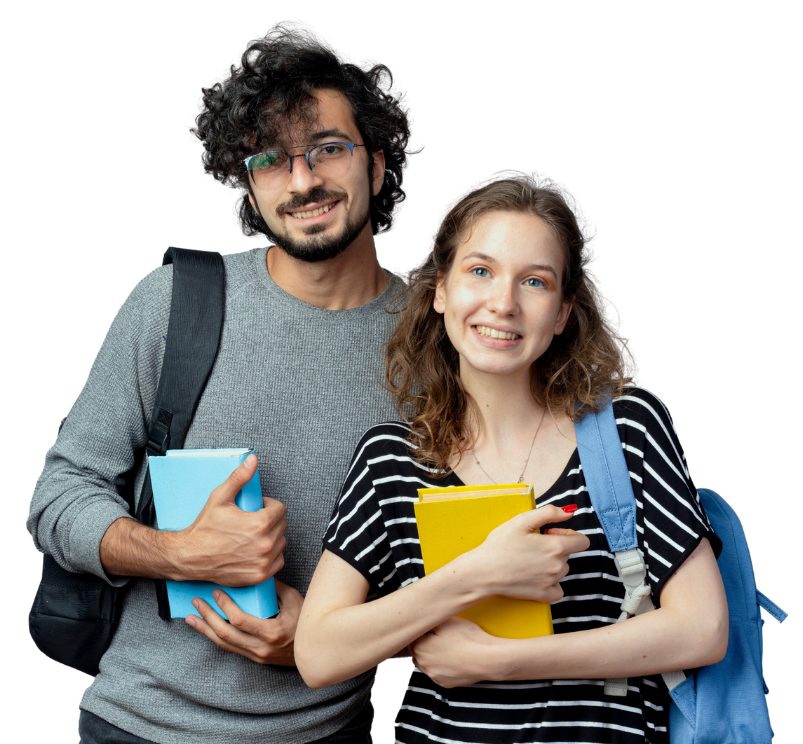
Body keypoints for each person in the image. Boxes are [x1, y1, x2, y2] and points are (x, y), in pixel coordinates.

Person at [27, 20, 417, 744]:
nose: (301, 182)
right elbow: (57, 496)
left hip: (336, 731)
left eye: (327, 149)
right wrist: (175, 552)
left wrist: (340, 639)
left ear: (378, 161)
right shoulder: (175, 300)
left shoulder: (443, 327)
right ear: (247, 181)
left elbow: (469, 563)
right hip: (141, 726)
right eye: (270, 159)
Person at [295, 169, 729, 743]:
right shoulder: (389, 460)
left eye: (535, 282)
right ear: (441, 291)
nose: (503, 304)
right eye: (480, 271)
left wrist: (500, 661)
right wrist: (476, 575)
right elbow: (319, 654)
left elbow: (702, 629)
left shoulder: (628, 431)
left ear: (563, 312)